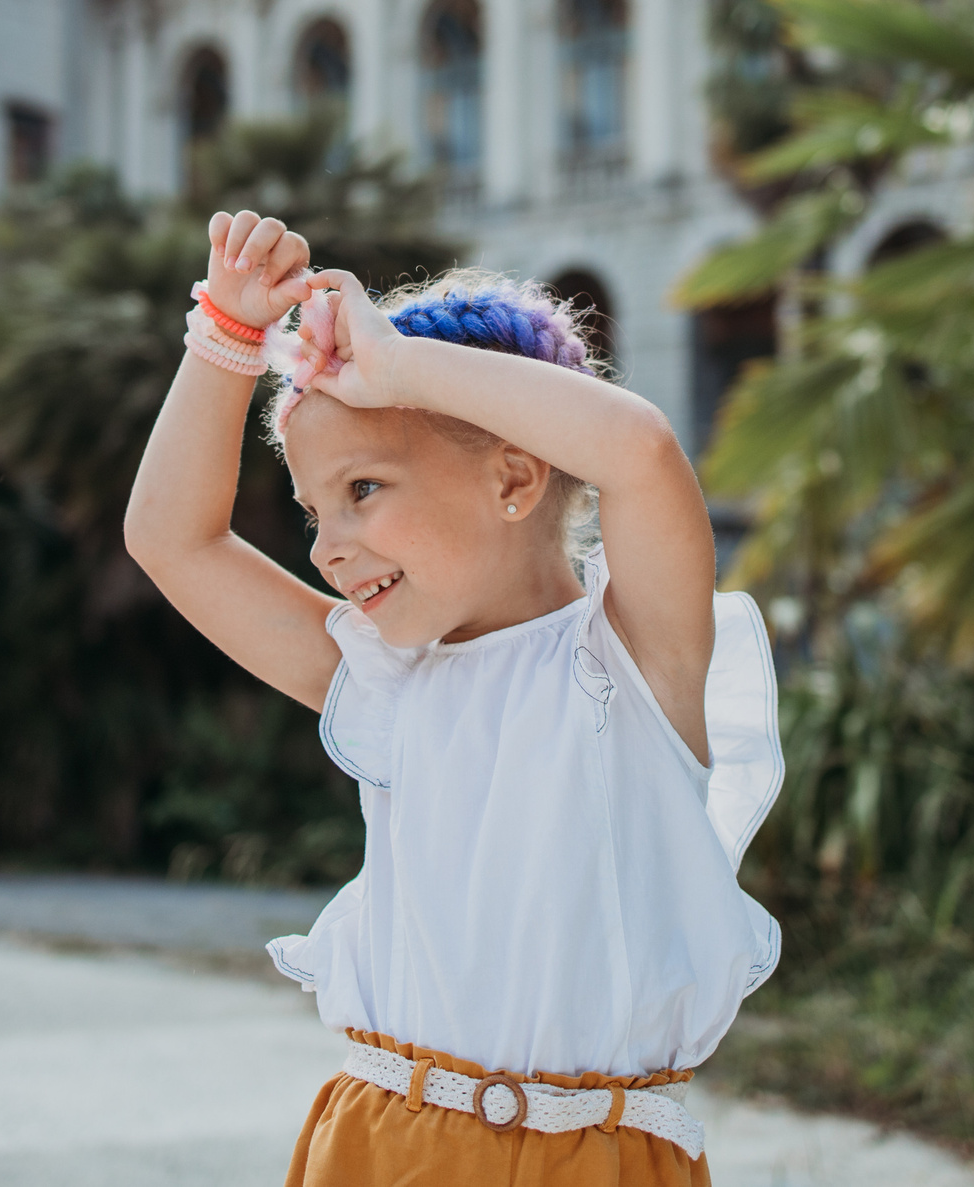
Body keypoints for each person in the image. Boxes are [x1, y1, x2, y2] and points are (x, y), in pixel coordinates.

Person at [124, 209, 784, 1186]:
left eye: (362, 490)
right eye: (312, 512)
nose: (324, 547)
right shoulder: (382, 677)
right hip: (382, 1141)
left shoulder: (635, 657)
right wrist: (226, 334)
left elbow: (636, 450)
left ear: (515, 477)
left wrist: (395, 369)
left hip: (593, 1158)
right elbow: (172, 541)